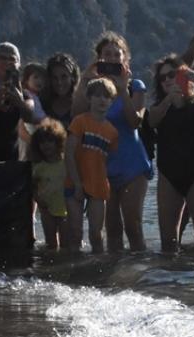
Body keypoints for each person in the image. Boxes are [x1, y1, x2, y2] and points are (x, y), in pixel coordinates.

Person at [73, 31, 149, 252]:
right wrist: (85, 79)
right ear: (99, 58)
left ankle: (140, 276)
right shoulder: (93, 89)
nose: (113, 58)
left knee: (133, 226)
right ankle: (113, 277)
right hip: (102, 166)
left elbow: (135, 121)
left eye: (118, 54)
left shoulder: (135, 86)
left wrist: (123, 89)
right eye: (108, 54)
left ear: (125, 59)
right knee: (112, 229)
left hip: (131, 164)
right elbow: (76, 114)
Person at [147, 54, 194, 253]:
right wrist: (169, 99)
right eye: (163, 78)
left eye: (172, 75)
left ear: (182, 75)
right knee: (168, 243)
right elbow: (152, 122)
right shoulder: (159, 107)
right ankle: (169, 280)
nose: (167, 79)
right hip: (169, 175)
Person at [65, 77, 118, 253]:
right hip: (74, 181)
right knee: (75, 231)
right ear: (89, 98)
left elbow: (109, 161)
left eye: (106, 96)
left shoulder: (112, 132)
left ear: (111, 101)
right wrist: (78, 183)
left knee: (96, 233)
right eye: (97, 96)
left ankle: (99, 270)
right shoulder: (79, 122)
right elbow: (69, 154)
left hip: (98, 183)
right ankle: (74, 268)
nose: (102, 100)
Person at [27, 118, 67, 251]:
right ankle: (50, 262)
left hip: (65, 207)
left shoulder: (66, 163)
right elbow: (32, 186)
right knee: (51, 243)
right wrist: (38, 198)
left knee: (65, 243)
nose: (46, 145)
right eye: (42, 142)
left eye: (50, 141)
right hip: (46, 208)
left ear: (58, 141)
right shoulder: (38, 167)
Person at [40, 51, 76, 128]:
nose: (59, 82)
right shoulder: (42, 104)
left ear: (72, 77)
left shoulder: (81, 105)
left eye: (64, 77)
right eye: (54, 78)